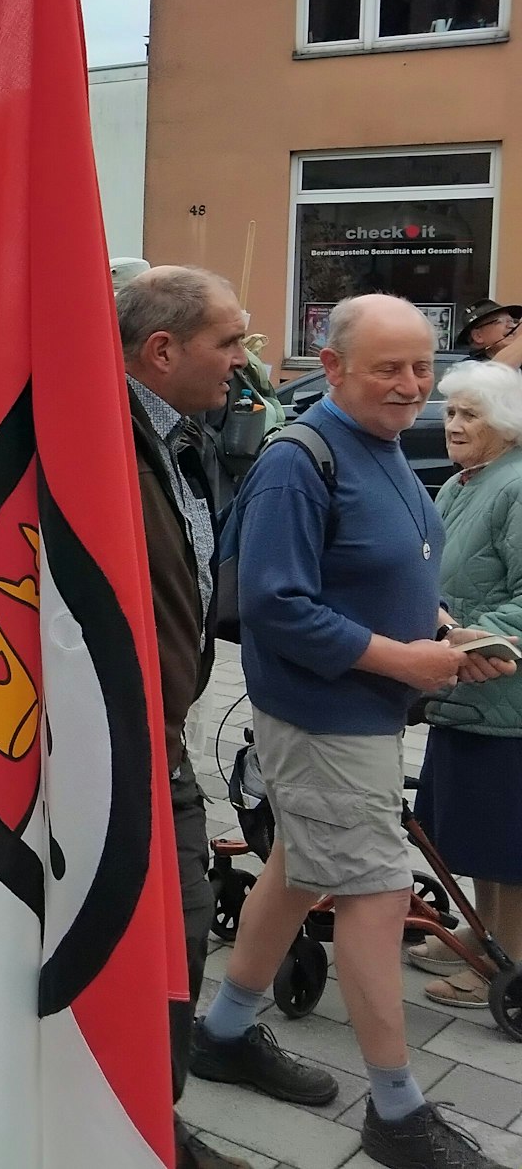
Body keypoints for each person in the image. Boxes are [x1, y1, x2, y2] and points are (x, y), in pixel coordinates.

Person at [195, 293, 513, 1169]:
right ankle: (398, 1111)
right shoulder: (301, 461)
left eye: (423, 367)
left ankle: (221, 1034)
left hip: (363, 711)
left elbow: (390, 566)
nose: (413, 386)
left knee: (299, 865)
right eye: (389, 368)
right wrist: (404, 662)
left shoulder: (379, 450)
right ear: (331, 368)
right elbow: (274, 605)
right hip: (324, 716)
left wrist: (444, 631)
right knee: (376, 893)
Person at [116, 267, 253, 1169]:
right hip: (119, 748)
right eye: (230, 342)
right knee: (165, 928)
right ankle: (137, 1126)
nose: (245, 364)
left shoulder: (180, 434)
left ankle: (148, 1121)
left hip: (162, 731)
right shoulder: (97, 436)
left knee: (180, 929)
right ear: (162, 351)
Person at [408, 362, 522, 1008]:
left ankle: (507, 965)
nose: (453, 424)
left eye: (469, 415)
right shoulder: (465, 481)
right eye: (450, 412)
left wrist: (476, 640)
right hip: (465, 691)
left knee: (509, 844)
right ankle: (485, 940)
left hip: (504, 696)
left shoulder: (517, 484)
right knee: (479, 836)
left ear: (504, 424)